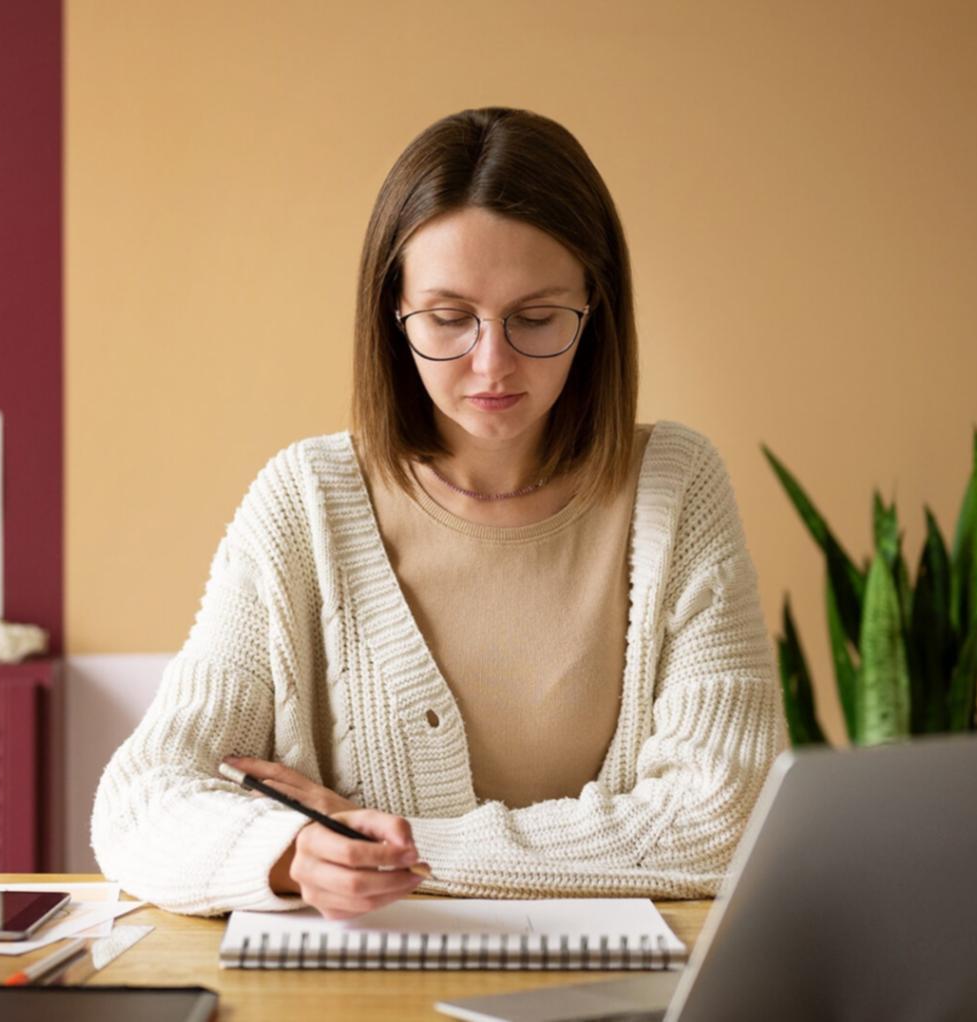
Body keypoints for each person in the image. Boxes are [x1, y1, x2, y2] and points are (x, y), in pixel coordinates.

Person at [91, 107, 785, 920]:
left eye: (536, 318)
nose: (492, 363)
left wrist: (392, 844)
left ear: (595, 312)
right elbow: (141, 801)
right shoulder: (305, 501)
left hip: (608, 986)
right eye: (449, 319)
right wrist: (289, 856)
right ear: (393, 313)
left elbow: (723, 819)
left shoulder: (676, 488)